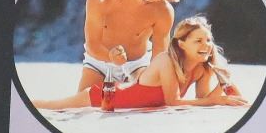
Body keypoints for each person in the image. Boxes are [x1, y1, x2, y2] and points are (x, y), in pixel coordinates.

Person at [33, 15, 247, 114]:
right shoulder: (165, 60)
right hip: (106, 97)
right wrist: (217, 99)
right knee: (49, 107)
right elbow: (174, 102)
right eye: (198, 40)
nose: (206, 45)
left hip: (122, 101)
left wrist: (223, 83)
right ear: (181, 44)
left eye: (208, 40)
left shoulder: (203, 68)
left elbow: (203, 101)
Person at [74, 0, 183, 92]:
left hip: (137, 65)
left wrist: (158, 78)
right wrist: (111, 57)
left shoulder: (164, 11)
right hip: (99, 62)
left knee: (150, 95)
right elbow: (92, 44)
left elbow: (159, 55)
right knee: (83, 100)